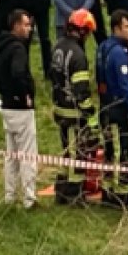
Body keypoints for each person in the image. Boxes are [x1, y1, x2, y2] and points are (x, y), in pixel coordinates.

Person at [48, 10, 98, 197]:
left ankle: (62, 187)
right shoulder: (78, 55)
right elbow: (81, 93)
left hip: (59, 109)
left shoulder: (58, 47)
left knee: (67, 152)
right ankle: (72, 193)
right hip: (73, 114)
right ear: (83, 31)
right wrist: (91, 117)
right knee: (77, 155)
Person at [0, 9, 38, 210]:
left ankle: (9, 195)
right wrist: (25, 95)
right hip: (21, 109)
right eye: (26, 25)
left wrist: (5, 92)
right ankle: (30, 198)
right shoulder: (18, 49)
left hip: (7, 107)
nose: (29, 28)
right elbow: (19, 72)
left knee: (11, 155)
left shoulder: (1, 46)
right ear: (16, 26)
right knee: (28, 155)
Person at [97, 10, 128, 207]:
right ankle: (121, 195)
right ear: (116, 28)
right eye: (126, 27)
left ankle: (107, 191)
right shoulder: (119, 53)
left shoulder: (103, 47)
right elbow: (125, 85)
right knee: (122, 151)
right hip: (118, 109)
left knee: (109, 150)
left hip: (105, 106)